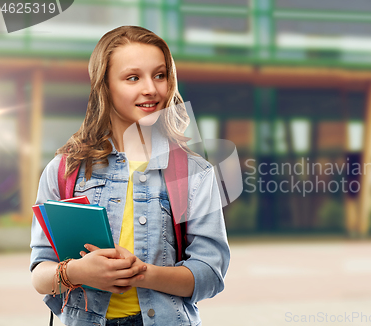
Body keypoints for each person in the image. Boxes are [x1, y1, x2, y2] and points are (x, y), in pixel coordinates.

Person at [30, 25, 230, 326]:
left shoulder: (194, 173)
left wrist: (143, 273)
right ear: (105, 85)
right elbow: (40, 274)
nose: (151, 89)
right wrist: (77, 272)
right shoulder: (64, 170)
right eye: (133, 77)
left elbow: (210, 275)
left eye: (160, 75)